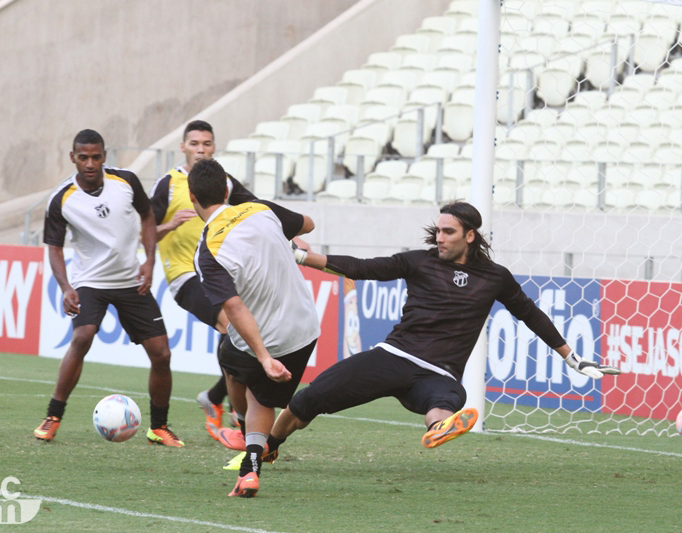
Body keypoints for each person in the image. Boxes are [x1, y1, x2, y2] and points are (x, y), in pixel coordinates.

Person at [262, 201, 621, 458]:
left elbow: (530, 314)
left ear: (469, 235)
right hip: (394, 357)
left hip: (439, 372)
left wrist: (572, 358)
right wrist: (301, 256)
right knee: (305, 401)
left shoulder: (495, 277)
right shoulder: (418, 262)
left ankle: (438, 429)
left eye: (448, 232)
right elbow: (361, 267)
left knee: (448, 399)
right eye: (438, 231)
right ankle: (268, 447)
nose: (440, 238)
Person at [33, 129, 183, 447]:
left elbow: (146, 216)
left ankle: (159, 427)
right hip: (91, 282)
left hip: (131, 280)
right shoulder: (61, 200)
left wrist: (149, 261)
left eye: (96, 156)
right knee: (82, 336)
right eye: (83, 157)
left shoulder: (126, 181)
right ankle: (53, 415)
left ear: (105, 156)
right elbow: (55, 248)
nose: (90, 163)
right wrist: (66, 287)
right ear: (73, 158)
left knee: (162, 354)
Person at [189, 158, 319, 498]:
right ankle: (250, 470)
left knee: (231, 359)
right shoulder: (261, 210)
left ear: (193, 199)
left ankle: (238, 421)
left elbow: (233, 307)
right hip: (305, 328)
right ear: (227, 189)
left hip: (266, 338)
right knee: (262, 396)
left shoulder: (207, 250)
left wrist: (263, 357)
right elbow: (308, 224)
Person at [150, 120, 255, 441]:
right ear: (183, 147)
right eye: (194, 144)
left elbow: (256, 208)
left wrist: (290, 232)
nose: (201, 149)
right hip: (184, 275)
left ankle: (214, 398)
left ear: (214, 147)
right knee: (233, 326)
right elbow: (143, 235)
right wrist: (169, 226)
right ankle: (240, 419)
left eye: (207, 144)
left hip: (220, 275)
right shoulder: (168, 184)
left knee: (247, 333)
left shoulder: (222, 182)